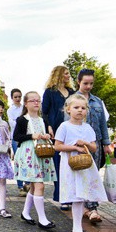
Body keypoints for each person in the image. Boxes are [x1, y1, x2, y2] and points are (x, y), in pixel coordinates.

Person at [54, 94, 107, 232]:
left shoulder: (88, 128)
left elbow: (94, 147)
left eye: (83, 108)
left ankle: (78, 227)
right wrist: (73, 147)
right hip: (70, 165)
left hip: (85, 166)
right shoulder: (64, 126)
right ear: (68, 109)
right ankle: (77, 228)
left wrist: (85, 144)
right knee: (75, 195)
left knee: (82, 195)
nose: (80, 110)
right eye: (76, 107)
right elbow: (57, 146)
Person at [13, 91, 57, 229]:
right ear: (26, 104)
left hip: (41, 153)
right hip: (28, 154)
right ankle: (42, 219)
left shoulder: (43, 120)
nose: (36, 103)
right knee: (40, 185)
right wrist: (32, 135)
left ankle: (26, 213)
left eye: (38, 100)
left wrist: (44, 136)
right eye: (33, 100)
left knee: (34, 186)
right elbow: (16, 136)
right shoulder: (22, 120)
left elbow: (44, 132)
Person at [76, 69, 113, 224]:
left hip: (95, 143)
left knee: (93, 174)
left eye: (91, 83)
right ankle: (86, 206)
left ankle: (92, 207)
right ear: (78, 82)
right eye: (85, 83)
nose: (89, 86)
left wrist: (106, 143)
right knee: (81, 175)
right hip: (78, 144)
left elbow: (103, 124)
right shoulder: (72, 100)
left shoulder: (97, 101)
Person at [42, 66, 75, 208]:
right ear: (59, 75)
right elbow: (44, 112)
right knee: (58, 164)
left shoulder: (72, 92)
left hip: (72, 130)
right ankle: (62, 196)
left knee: (72, 163)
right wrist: (48, 126)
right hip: (57, 130)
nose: (69, 76)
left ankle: (73, 195)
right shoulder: (50, 92)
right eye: (66, 73)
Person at [6, 88, 26, 195]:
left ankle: (27, 183)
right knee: (19, 160)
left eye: (19, 96)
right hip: (16, 137)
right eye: (15, 97)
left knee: (27, 160)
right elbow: (12, 123)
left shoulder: (24, 108)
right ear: (12, 98)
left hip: (26, 136)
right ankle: (20, 186)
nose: (18, 98)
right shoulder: (10, 110)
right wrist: (21, 123)